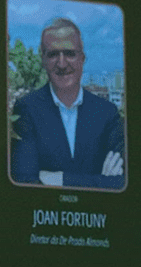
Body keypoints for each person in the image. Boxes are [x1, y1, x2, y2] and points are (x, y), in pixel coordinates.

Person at [10, 17, 125, 189]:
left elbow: (122, 183)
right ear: (43, 60)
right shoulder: (26, 109)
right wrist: (99, 182)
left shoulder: (107, 113)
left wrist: (59, 179)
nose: (62, 64)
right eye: (53, 54)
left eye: (69, 54)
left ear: (82, 59)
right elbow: (25, 181)